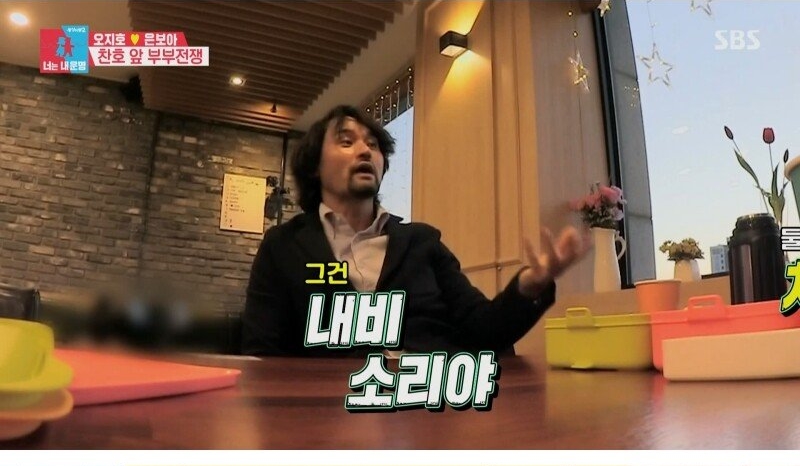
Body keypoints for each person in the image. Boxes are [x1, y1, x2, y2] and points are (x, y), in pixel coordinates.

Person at [241, 105, 590, 356]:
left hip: (430, 407)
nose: (365, 151)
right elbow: (262, 353)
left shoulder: (422, 242)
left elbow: (482, 329)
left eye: (373, 145)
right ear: (314, 166)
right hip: (328, 415)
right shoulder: (283, 246)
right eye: (346, 142)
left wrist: (529, 286)